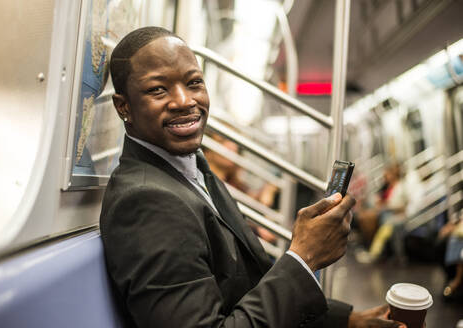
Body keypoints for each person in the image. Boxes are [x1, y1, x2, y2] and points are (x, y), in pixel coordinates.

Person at [100, 26, 404, 328]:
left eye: (194, 83)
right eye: (158, 89)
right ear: (123, 106)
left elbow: (246, 285)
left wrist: (347, 320)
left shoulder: (191, 168)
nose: (184, 101)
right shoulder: (146, 202)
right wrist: (304, 256)